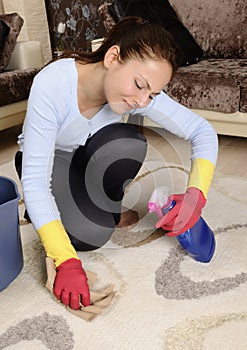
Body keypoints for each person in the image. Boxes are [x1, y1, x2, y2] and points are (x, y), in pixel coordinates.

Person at [15, 16, 218, 310]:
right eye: (139, 85)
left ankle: (105, 208)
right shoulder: (53, 84)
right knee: (90, 235)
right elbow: (36, 182)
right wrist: (65, 260)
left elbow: (203, 132)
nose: (142, 100)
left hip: (86, 153)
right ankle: (54, 213)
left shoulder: (140, 97)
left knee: (128, 142)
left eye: (152, 94)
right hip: (49, 162)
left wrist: (195, 196)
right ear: (113, 57)